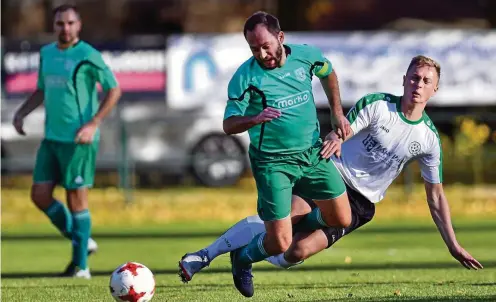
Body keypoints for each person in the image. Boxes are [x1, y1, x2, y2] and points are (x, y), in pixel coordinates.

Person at [178, 55, 483, 296]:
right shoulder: (378, 105)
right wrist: (337, 137)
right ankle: (204, 256)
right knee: (287, 218)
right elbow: (344, 128)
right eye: (414, 77)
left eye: (426, 80)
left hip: (360, 206)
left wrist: (453, 245)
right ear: (404, 80)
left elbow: (436, 196)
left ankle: (245, 254)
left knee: (295, 251)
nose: (418, 84)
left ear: (435, 89)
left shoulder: (428, 139)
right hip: (329, 174)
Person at [199, 11, 353, 297]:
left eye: (266, 45)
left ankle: (280, 225)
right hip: (273, 164)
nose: (262, 53)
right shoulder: (245, 77)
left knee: (343, 219)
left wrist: (337, 113)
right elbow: (229, 124)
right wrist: (255, 118)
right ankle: (243, 258)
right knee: (281, 244)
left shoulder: (306, 57)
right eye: (254, 48)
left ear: (280, 37)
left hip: (311, 154)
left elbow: (328, 72)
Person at [12, 4, 121, 279]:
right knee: (39, 195)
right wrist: (22, 112)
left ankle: (81, 266)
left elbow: (113, 89)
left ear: (79, 25)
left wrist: (93, 123)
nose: (66, 28)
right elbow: (41, 88)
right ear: (54, 26)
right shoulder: (47, 53)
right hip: (52, 139)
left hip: (78, 141)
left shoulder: (88, 55)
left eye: (70, 23)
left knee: (76, 199)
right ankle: (81, 238)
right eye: (60, 23)